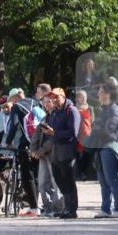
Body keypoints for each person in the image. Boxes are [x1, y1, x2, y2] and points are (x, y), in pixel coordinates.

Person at [3, 87, 43, 217]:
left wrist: (8, 141)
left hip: (24, 145)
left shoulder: (17, 107)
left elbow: (14, 125)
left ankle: (33, 206)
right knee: (36, 175)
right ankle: (38, 204)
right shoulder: (36, 102)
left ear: (14, 97)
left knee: (27, 176)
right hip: (38, 145)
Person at [44, 90, 79, 219]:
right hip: (56, 151)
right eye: (51, 97)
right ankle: (67, 207)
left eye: (56, 97)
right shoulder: (55, 112)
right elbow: (54, 132)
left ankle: (72, 209)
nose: (53, 99)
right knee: (59, 178)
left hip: (68, 150)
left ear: (63, 97)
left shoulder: (71, 110)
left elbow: (73, 132)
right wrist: (48, 132)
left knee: (69, 180)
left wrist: (55, 133)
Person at [92, 85, 118, 218]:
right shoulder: (103, 109)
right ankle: (105, 209)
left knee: (112, 180)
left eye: (100, 92)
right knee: (103, 182)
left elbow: (109, 130)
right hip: (101, 147)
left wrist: (95, 131)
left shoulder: (114, 110)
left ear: (107, 94)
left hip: (109, 147)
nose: (98, 95)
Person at [29, 95, 62, 217]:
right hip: (43, 155)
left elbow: (53, 138)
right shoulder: (45, 117)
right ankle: (47, 209)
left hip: (53, 154)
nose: (46, 104)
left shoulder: (57, 116)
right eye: (44, 101)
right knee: (42, 183)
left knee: (55, 183)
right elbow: (37, 134)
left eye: (49, 101)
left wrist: (40, 151)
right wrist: (33, 150)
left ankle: (57, 209)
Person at [75, 89, 94, 180]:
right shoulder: (74, 108)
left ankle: (84, 172)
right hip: (78, 134)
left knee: (87, 155)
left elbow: (92, 121)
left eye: (84, 97)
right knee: (79, 155)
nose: (83, 99)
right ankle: (80, 173)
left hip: (88, 134)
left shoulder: (90, 108)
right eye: (81, 97)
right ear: (78, 98)